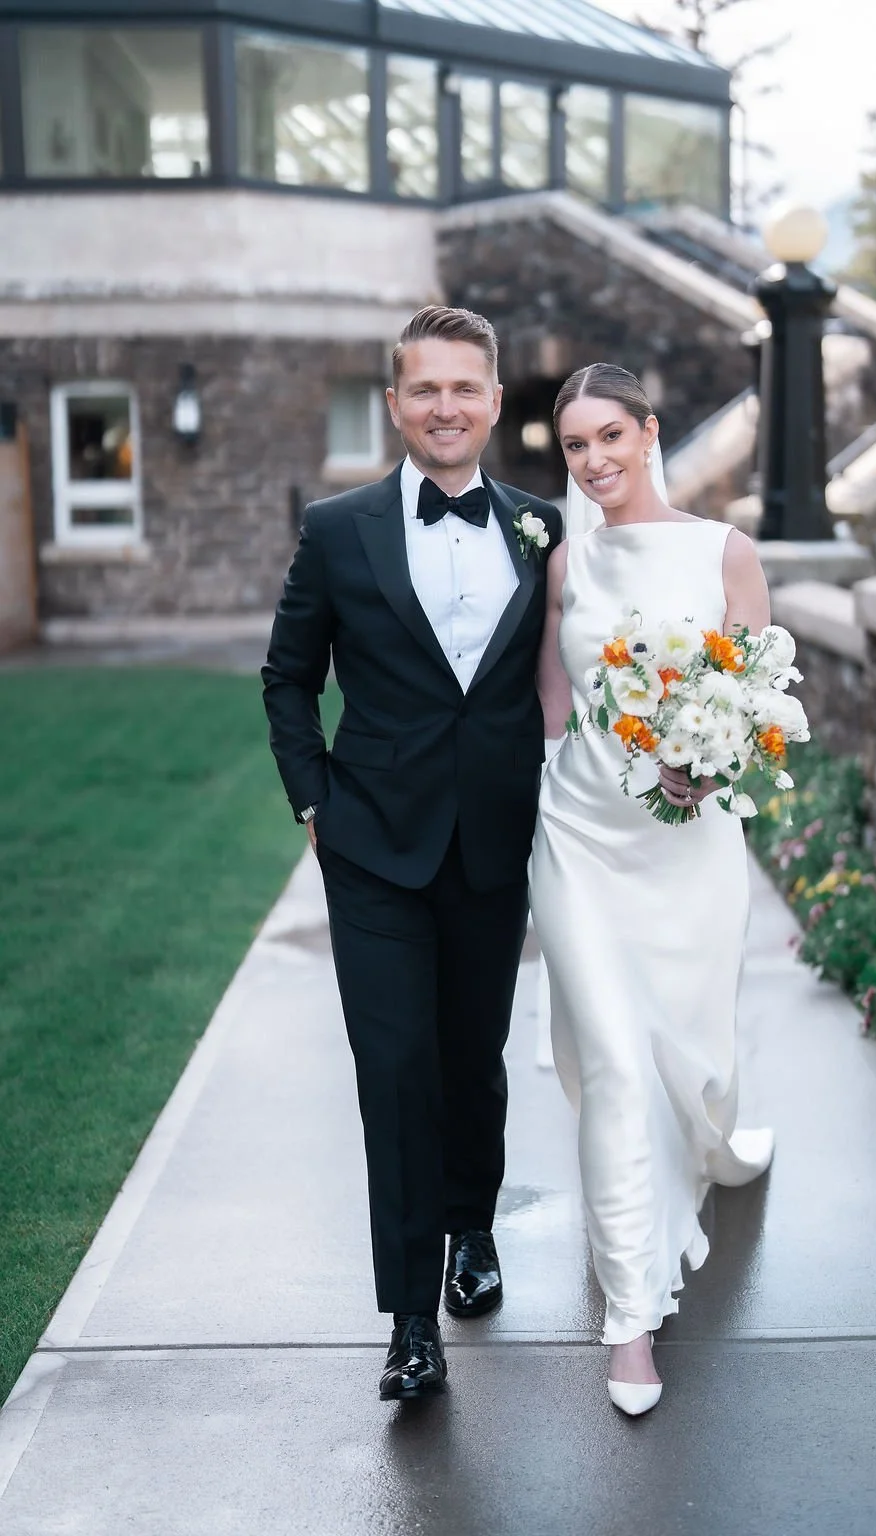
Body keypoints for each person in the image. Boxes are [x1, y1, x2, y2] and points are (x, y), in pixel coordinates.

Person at [262, 306, 562, 1401]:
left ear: (492, 402)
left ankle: (472, 1228)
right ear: (395, 404)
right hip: (373, 851)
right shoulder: (337, 530)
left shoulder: (541, 526)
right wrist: (314, 806)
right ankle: (409, 1320)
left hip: (491, 844)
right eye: (423, 389)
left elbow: (573, 677)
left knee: (471, 1061)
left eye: (464, 389)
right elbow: (287, 678)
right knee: (393, 1075)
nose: (444, 407)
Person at [529, 364, 775, 1417]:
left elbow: (758, 694)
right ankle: (630, 1319)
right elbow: (553, 697)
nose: (593, 462)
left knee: (690, 1059)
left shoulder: (726, 551)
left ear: (649, 431)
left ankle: (714, 1138)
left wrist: (710, 757)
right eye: (575, 447)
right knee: (618, 1065)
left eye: (609, 437)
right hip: (578, 834)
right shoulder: (563, 562)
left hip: (690, 847)